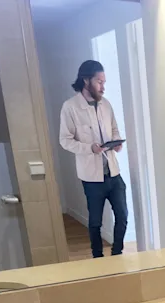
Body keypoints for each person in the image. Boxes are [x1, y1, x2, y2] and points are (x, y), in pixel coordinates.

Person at [59, 60, 128, 258]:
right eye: (99, 82)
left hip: (113, 173)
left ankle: (117, 253)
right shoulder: (70, 107)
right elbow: (65, 141)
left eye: (104, 82)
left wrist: (117, 143)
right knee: (96, 221)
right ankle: (97, 257)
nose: (103, 87)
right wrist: (89, 148)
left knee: (122, 215)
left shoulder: (106, 104)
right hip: (91, 177)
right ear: (86, 80)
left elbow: (114, 129)